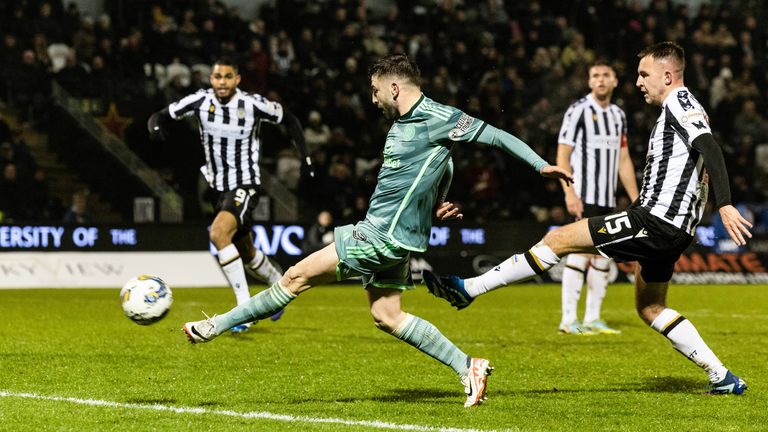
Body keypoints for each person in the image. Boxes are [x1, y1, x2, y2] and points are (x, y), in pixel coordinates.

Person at [182, 53, 572, 407]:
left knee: (294, 278)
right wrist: (438, 200)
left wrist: (541, 166)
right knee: (387, 315)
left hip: (379, 235)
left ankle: (215, 325)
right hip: (394, 239)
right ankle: (467, 366)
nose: (372, 100)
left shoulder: (438, 117)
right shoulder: (408, 126)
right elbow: (441, 164)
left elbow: (496, 135)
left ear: (394, 86)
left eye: (374, 91)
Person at [424, 42, 752, 395]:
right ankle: (723, 376)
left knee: (558, 239)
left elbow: (710, 148)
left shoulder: (679, 102)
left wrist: (725, 203)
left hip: (656, 221)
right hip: (670, 227)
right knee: (651, 307)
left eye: (644, 74)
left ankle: (470, 288)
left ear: (668, 76)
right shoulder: (679, 109)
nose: (638, 81)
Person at [148, 57, 314, 333]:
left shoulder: (253, 104)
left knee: (218, 234)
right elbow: (160, 115)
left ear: (237, 79)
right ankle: (278, 287)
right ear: (210, 79)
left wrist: (305, 157)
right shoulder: (199, 101)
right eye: (217, 77)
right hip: (217, 188)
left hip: (245, 184)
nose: (221, 82)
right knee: (246, 252)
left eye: (227, 77)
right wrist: (154, 128)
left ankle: (243, 310)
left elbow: (291, 120)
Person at [555, 61, 639, 335]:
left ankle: (592, 318)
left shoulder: (618, 115)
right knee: (579, 255)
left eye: (606, 75)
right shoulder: (578, 110)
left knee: (603, 257)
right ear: (589, 82)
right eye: (595, 76)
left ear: (615, 81)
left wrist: (635, 197)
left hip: (607, 199)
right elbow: (563, 155)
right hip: (584, 195)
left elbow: (623, 159)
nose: (600, 80)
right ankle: (568, 320)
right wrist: (569, 193)